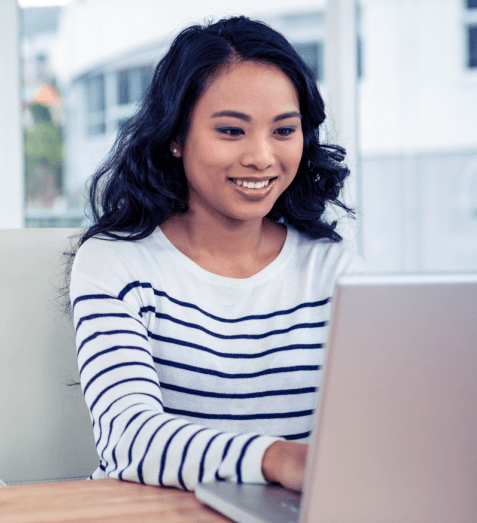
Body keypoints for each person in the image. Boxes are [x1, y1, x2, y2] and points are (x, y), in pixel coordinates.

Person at [68, 16, 367, 493]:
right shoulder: (116, 264)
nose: (262, 157)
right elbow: (128, 438)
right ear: (175, 136)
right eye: (231, 131)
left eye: (284, 131)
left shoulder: (335, 270)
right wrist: (274, 458)